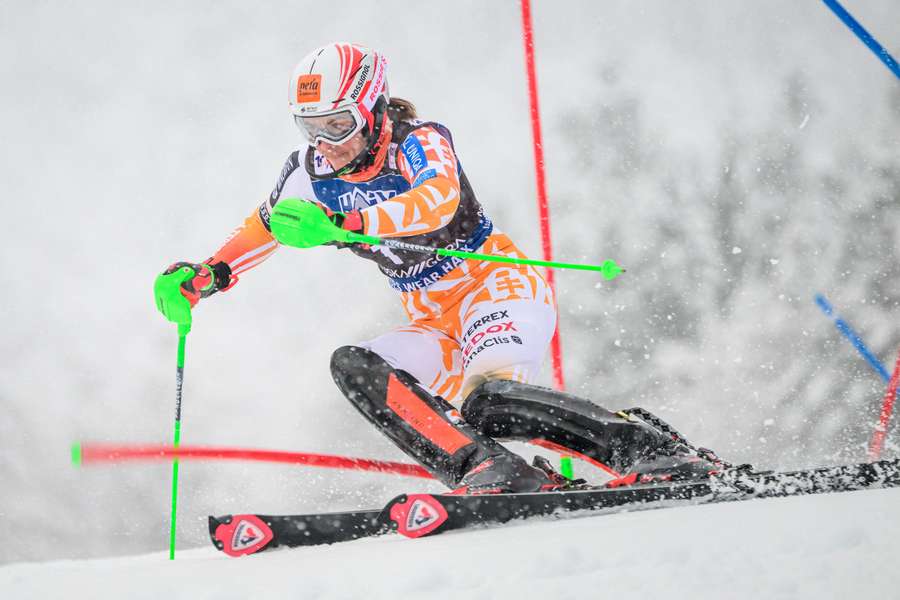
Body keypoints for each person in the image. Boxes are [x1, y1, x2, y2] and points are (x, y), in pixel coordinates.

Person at [155, 42, 719, 494]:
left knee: (487, 402)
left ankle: (649, 451)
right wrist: (206, 276)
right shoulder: (308, 171)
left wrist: (347, 222)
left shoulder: (419, 142)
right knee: (356, 366)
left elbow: (437, 201)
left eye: (338, 124)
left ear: (373, 107)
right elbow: (265, 226)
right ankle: (488, 468)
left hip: (495, 286)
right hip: (431, 317)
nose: (326, 144)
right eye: (311, 128)